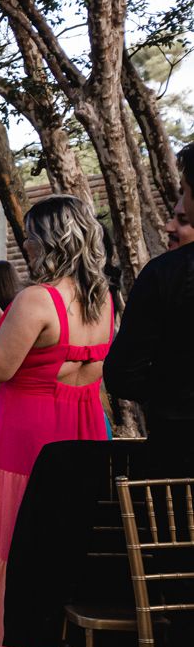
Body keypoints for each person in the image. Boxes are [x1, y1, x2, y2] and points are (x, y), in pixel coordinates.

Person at [0, 195, 119, 647]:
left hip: (26, 443)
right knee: (70, 559)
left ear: (46, 241)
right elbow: (55, 355)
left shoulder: (37, 297)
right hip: (83, 433)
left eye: (29, 235)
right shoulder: (105, 300)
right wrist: (6, 321)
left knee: (13, 557)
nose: (25, 244)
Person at [105, 143, 194, 462]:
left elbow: (121, 373)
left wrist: (175, 390)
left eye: (184, 190)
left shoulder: (166, 273)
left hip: (180, 452)